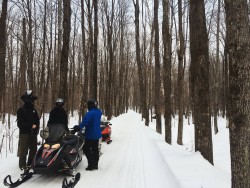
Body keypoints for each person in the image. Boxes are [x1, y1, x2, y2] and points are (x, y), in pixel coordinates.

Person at [74, 99, 102, 171]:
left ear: (90, 105)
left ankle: (91, 164)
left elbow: (85, 122)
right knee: (95, 149)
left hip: (90, 134)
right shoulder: (99, 112)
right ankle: (95, 164)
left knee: (86, 148)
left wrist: (78, 127)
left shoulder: (89, 113)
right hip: (97, 134)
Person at [17, 90, 40, 170]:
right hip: (24, 133)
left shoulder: (34, 111)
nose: (30, 102)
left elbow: (37, 121)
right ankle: (22, 165)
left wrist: (37, 129)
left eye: (31, 100)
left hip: (33, 133)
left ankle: (30, 163)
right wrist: (31, 126)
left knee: (33, 149)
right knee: (23, 150)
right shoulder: (21, 110)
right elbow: (20, 124)